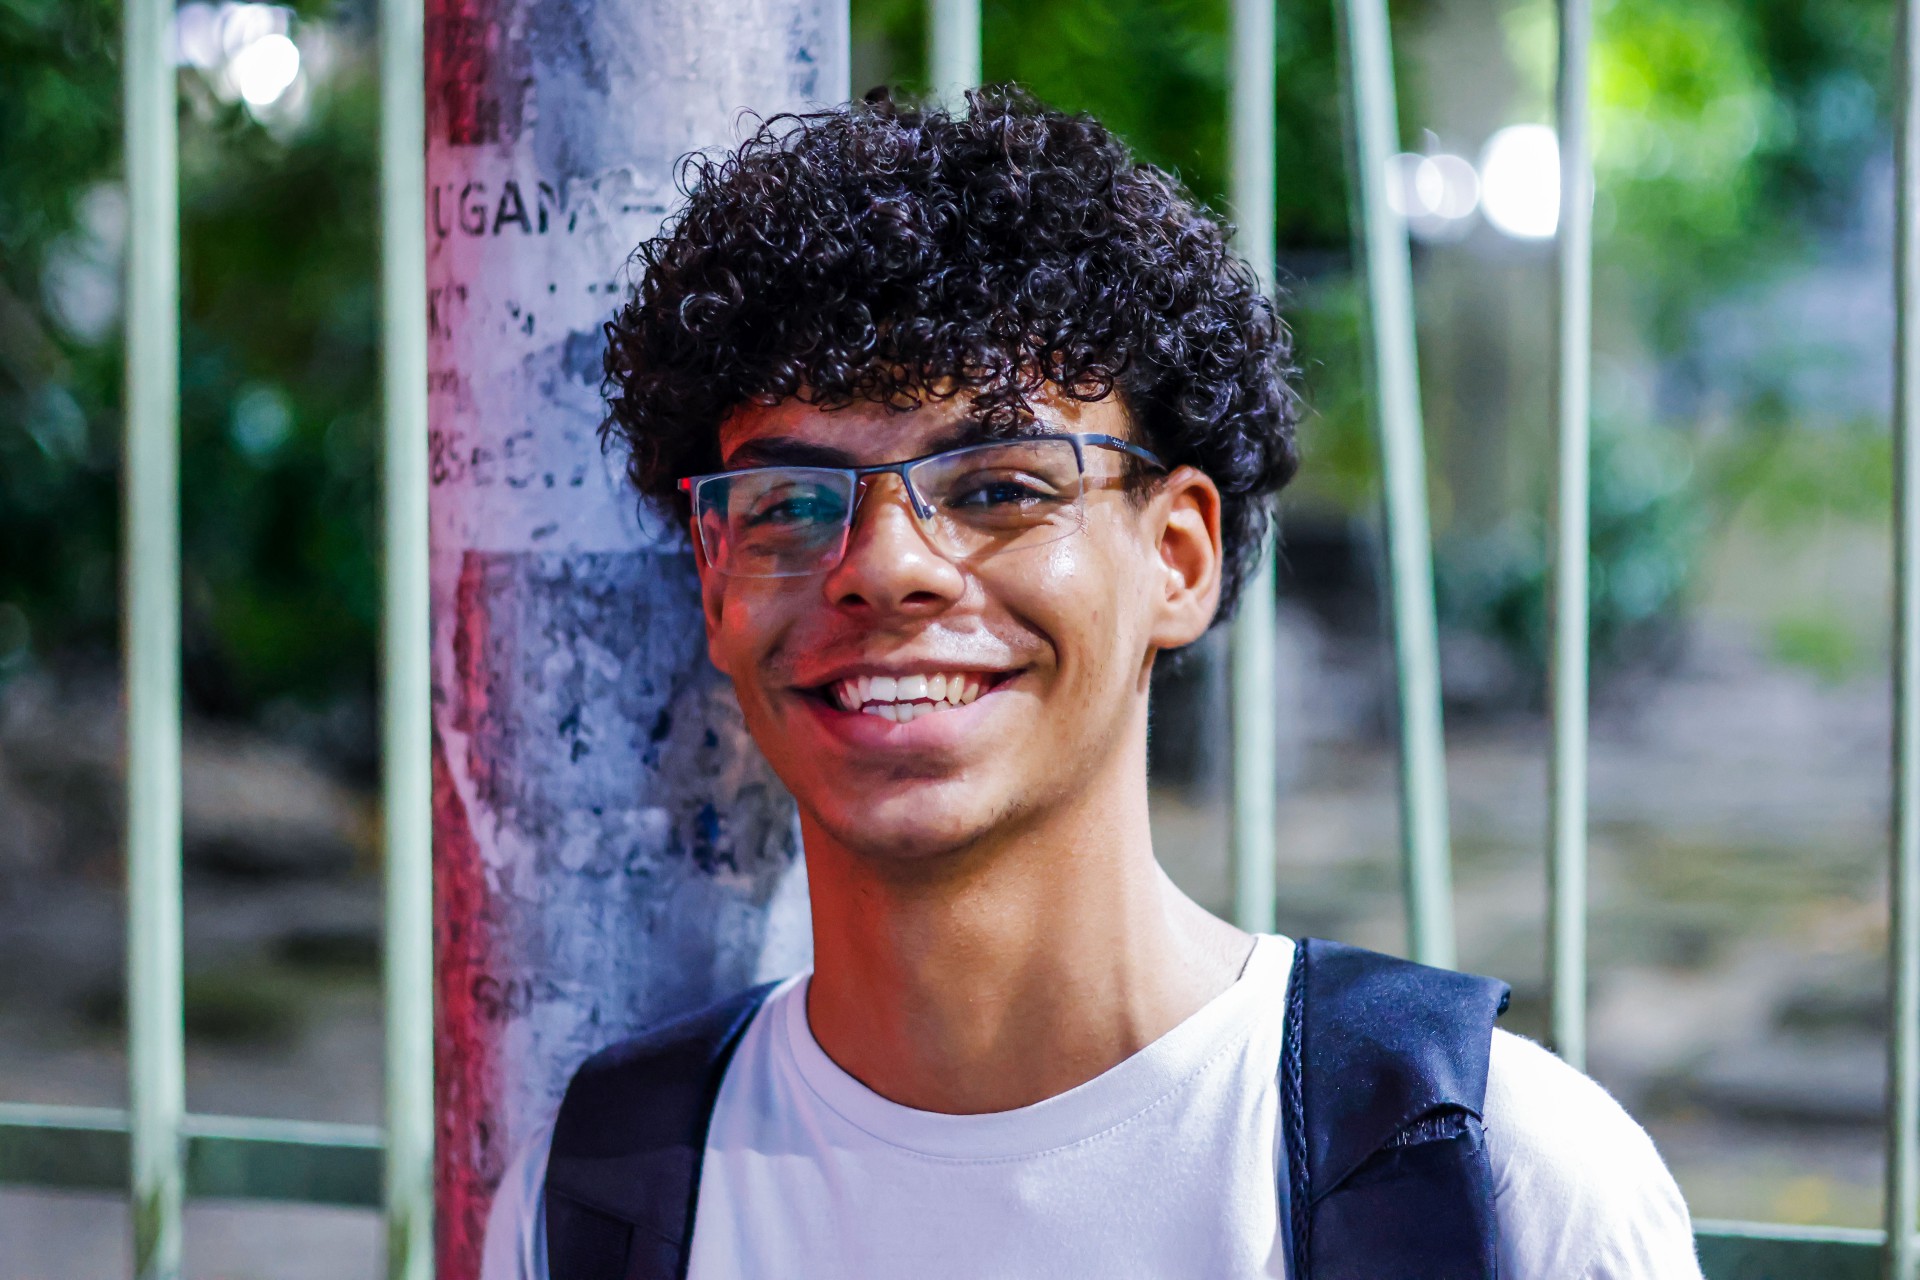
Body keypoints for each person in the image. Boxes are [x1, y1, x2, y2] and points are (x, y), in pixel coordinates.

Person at [481, 88, 1702, 1280]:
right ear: (714, 582)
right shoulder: (595, 1197)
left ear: (1179, 557)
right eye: (789, 502)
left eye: (1000, 487)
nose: (886, 566)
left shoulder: (1499, 1181)